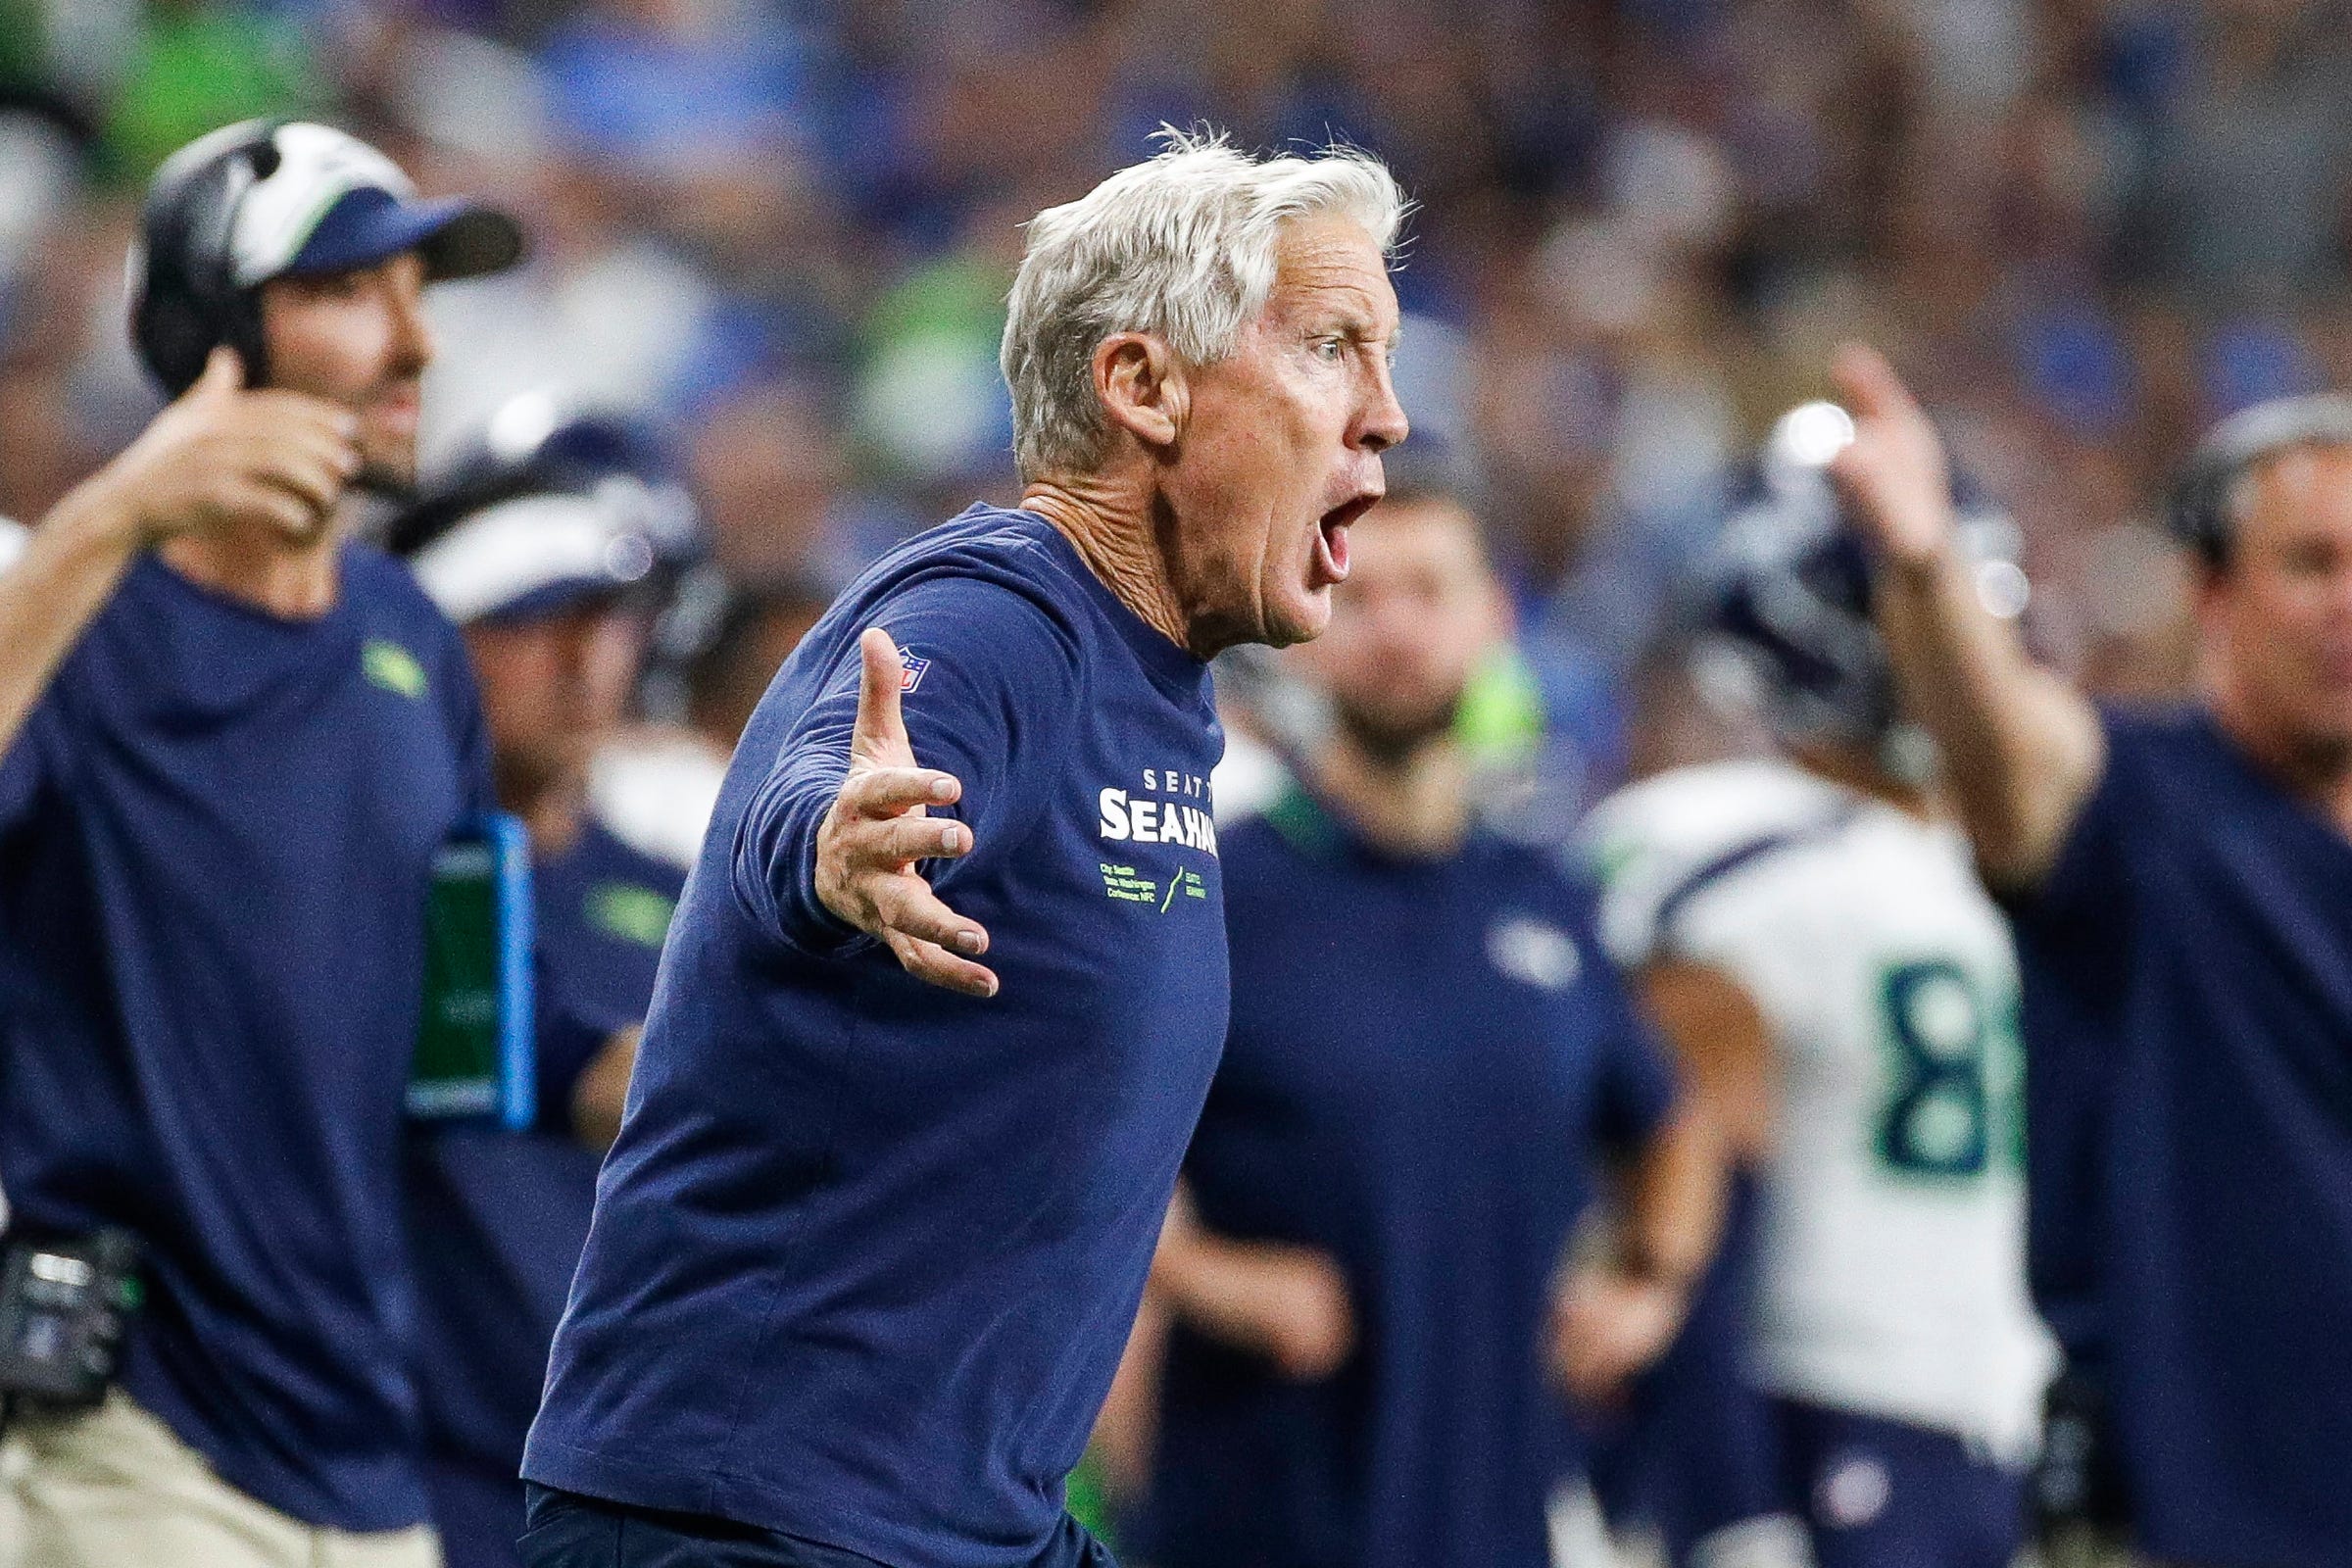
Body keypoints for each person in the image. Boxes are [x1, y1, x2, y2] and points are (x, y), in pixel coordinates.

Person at [519, 130, 1409, 1568]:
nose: (1387, 416)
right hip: (745, 1518)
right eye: (1331, 348)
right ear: (1143, 385)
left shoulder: (1157, 690)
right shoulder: (997, 614)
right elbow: (820, 785)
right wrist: (834, 847)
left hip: (952, 1526)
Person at [0, 119, 522, 1565]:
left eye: (424, 295)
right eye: (356, 294)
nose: (416, 346)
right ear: (211, 331)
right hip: (132, 1442)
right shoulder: (69, 607)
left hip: (368, 1443)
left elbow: (462, 1038)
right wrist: (114, 511)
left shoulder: (414, 639)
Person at [1823, 346, 2352, 1568]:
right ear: (2212, 596)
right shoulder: (2145, 810)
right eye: (2310, 564)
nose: (2343, 605)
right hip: (2190, 1516)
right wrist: (1922, 562)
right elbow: (2001, 745)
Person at [1133, 485, 1724, 1568]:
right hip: (1260, 1520)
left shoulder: (1544, 896)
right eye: (1361, 598)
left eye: (1430, 592)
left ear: (1493, 616)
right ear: (1306, 627)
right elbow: (1084, 1147)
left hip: (1495, 1518)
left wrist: (1652, 1283)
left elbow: (1670, 1118)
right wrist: (1211, 1276)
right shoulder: (1219, 891)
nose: (1398, 628)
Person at [1581, 404, 2055, 1568]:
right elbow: (1677, 1197)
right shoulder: (1739, 852)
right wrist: (1729, 1504)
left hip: (1986, 1416)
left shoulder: (1973, 855)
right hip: (1807, 1413)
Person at [395, 449, 687, 1568]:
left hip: (628, 1493)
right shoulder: (372, 881)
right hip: (418, 1477)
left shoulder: (689, 902)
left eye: (608, 620)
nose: (585, 662)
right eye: (530, 621)